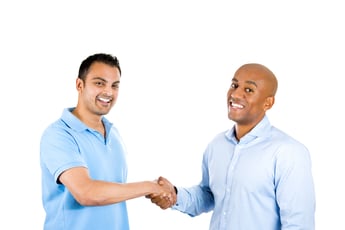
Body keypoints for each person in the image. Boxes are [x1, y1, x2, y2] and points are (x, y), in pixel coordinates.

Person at [148, 63, 316, 229]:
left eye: (248, 90)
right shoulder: (217, 145)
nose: (235, 94)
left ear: (268, 103)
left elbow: (298, 224)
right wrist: (174, 195)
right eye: (234, 85)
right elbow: (208, 196)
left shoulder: (288, 152)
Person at [40, 53, 175, 230]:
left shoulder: (114, 134)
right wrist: (150, 187)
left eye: (115, 85)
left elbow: (113, 194)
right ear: (79, 85)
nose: (108, 92)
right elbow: (86, 193)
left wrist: (162, 195)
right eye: (99, 83)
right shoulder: (58, 135)